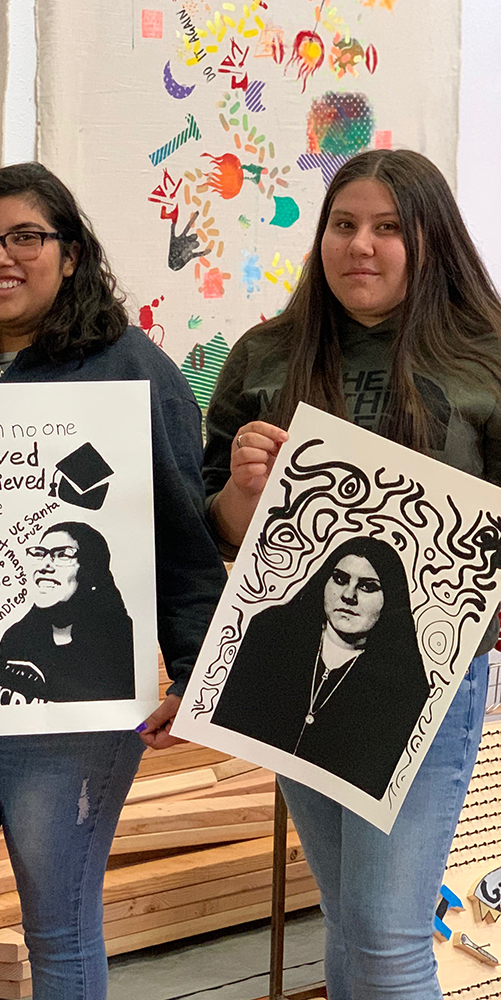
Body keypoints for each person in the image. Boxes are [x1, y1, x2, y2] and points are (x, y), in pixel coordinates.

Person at [0, 162, 227, 1000]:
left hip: (81, 703)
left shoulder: (132, 369)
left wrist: (199, 673)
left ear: (70, 256)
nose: (1, 256)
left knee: (59, 929)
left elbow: (183, 541)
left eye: (27, 237)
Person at [202, 149, 501, 1000]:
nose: (359, 245)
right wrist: (241, 490)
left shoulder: (487, 356)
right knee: (351, 923)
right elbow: (216, 529)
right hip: (304, 668)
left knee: (387, 935)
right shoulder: (266, 354)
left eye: (387, 227)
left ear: (430, 239)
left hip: (425, 678)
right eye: (343, 224)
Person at [211, 536, 428, 798]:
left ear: (390, 598)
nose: (348, 596)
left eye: (367, 587)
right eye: (340, 579)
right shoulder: (270, 634)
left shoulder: (405, 683)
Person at [0, 521, 135, 705]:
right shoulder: (17, 637)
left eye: (63, 555)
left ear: (91, 571)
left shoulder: (123, 644)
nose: (45, 565)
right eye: (40, 553)